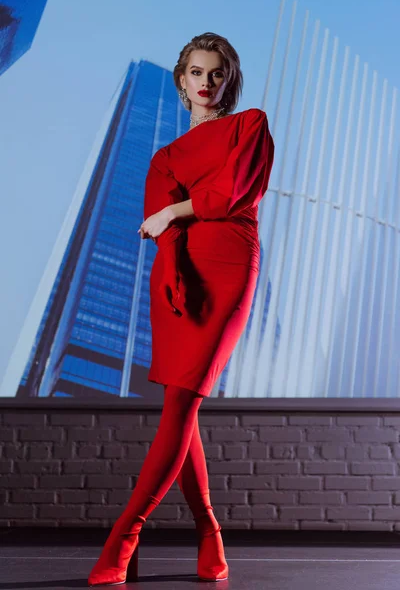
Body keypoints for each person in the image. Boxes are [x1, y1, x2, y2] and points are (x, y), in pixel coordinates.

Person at [88, 31, 274, 587]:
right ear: (181, 80)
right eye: (197, 72)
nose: (207, 83)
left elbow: (231, 192)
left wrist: (175, 215)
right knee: (180, 406)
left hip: (230, 265)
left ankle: (125, 536)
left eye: (217, 73)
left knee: (182, 403)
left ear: (229, 80)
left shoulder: (250, 124)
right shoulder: (163, 157)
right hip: (180, 274)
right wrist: (170, 265)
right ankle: (209, 534)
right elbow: (158, 222)